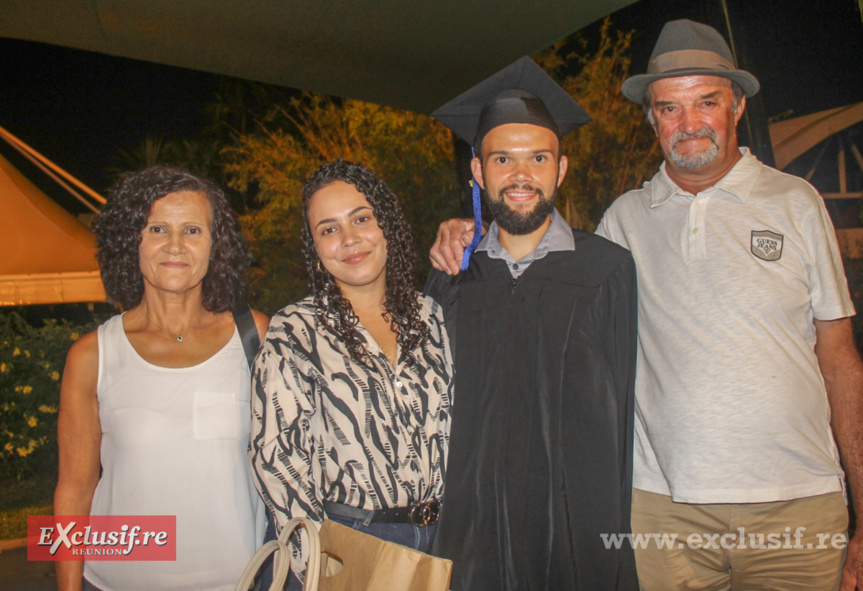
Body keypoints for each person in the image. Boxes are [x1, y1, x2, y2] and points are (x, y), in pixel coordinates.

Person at [431, 20, 863, 591]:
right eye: (668, 108)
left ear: (735, 107)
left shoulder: (796, 203)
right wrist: (463, 234)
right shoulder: (623, 224)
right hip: (665, 515)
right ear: (651, 118)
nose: (688, 124)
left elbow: (839, 360)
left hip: (795, 506)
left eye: (706, 102)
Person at [425, 56, 639, 590]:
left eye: (538, 158)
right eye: (503, 159)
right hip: (470, 533)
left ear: (560, 169)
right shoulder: (451, 274)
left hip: (574, 535)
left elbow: (621, 423)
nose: (521, 175)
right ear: (478, 171)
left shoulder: (607, 269)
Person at [54, 166, 268, 591]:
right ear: (132, 240)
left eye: (192, 230)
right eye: (157, 229)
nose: (175, 245)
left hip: (242, 582)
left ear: (214, 246)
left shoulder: (255, 336)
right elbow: (72, 494)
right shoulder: (92, 355)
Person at [250, 159, 453, 589]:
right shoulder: (297, 331)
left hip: (445, 540)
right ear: (315, 247)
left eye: (361, 218)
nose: (349, 239)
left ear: (387, 226)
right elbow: (277, 458)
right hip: (349, 543)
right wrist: (319, 567)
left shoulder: (433, 316)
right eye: (328, 229)